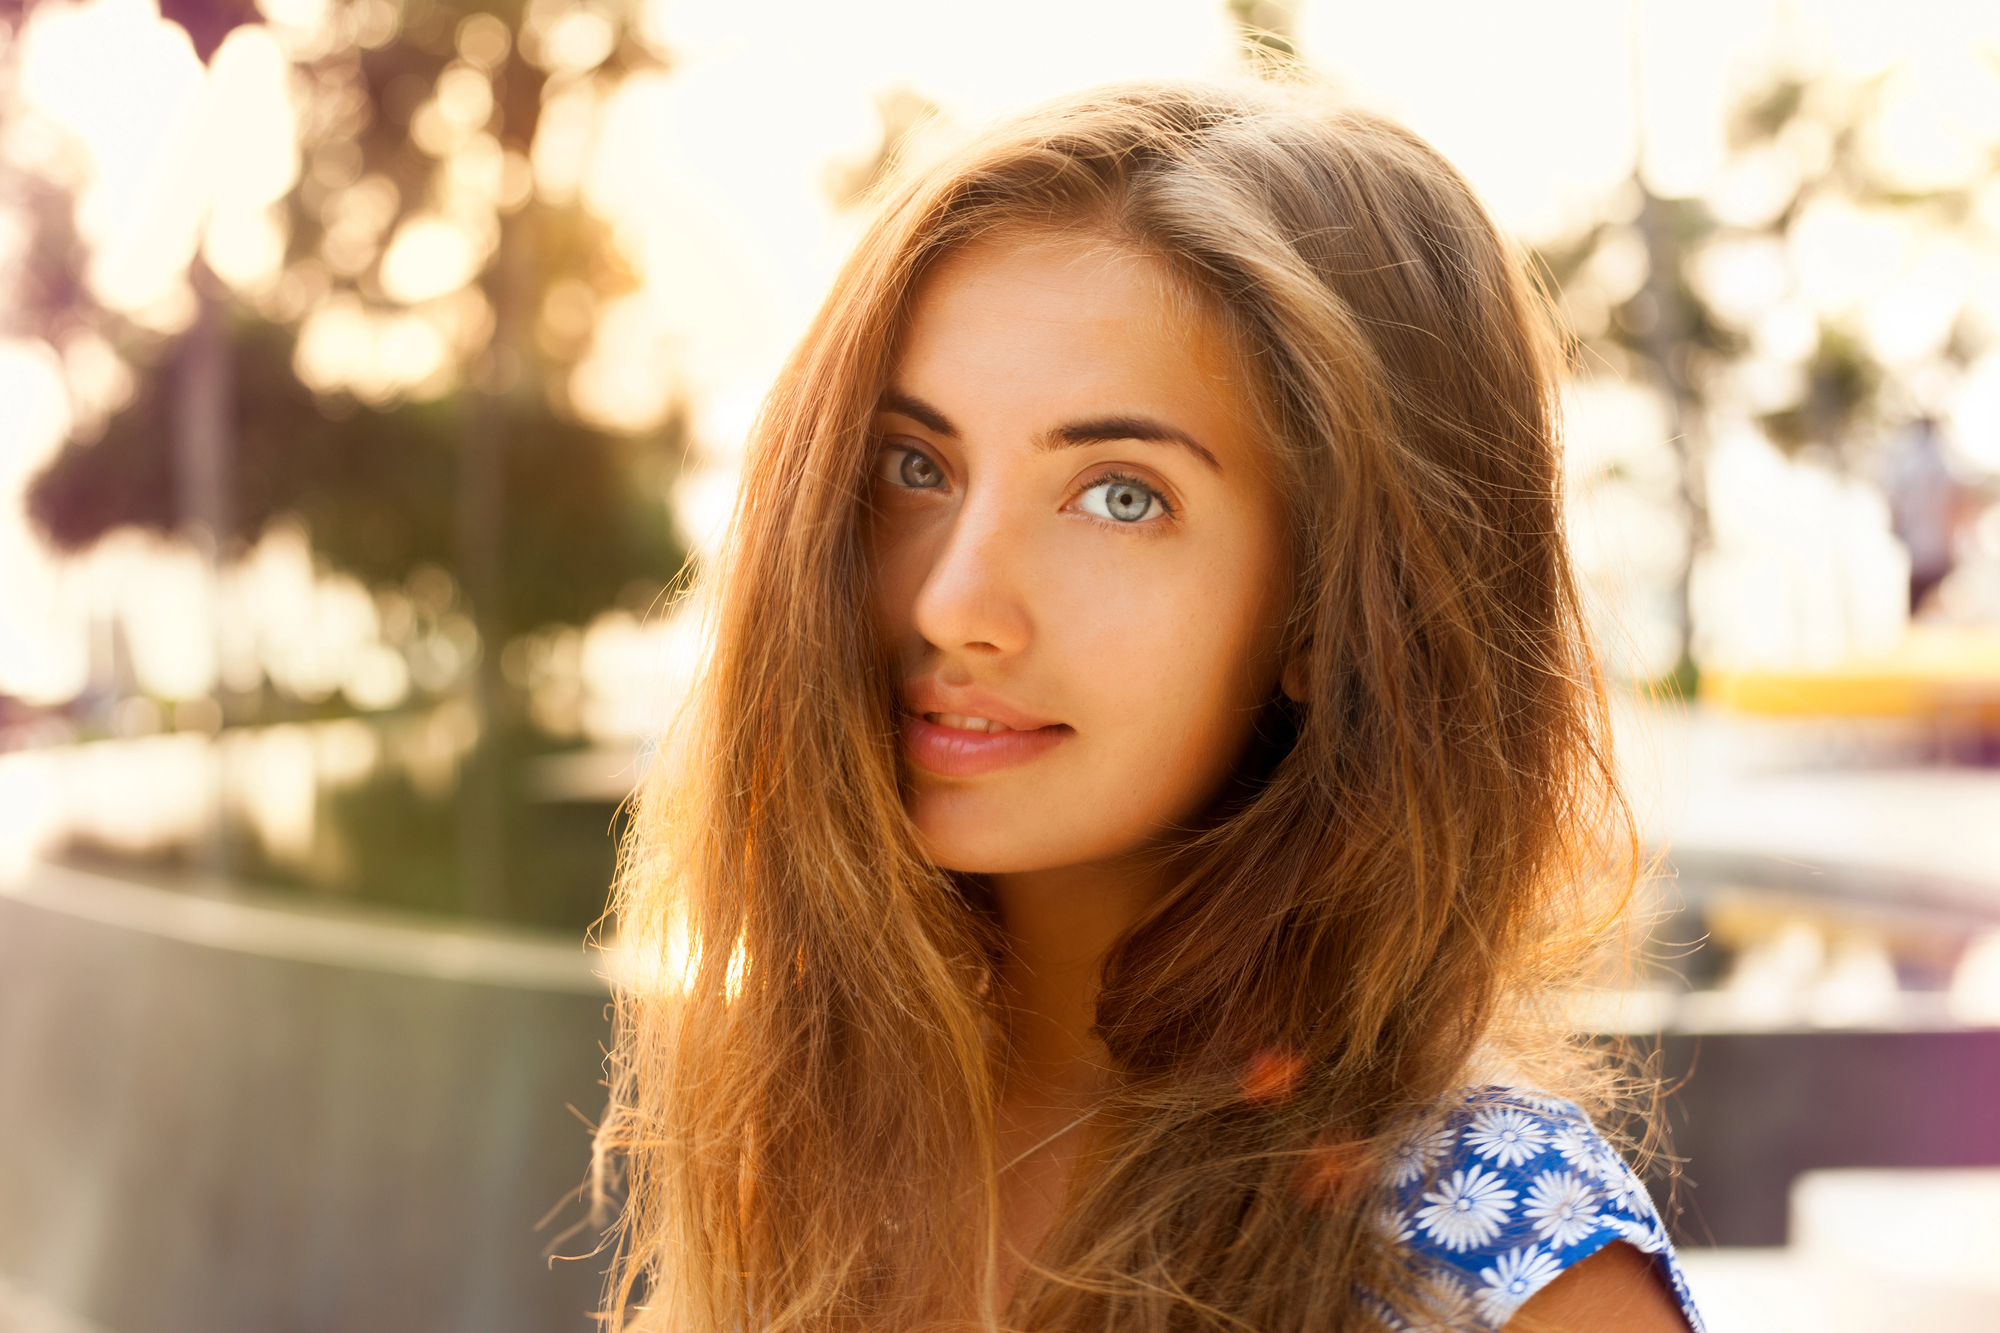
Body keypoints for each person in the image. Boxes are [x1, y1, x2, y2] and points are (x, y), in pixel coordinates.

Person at [595, 79, 1704, 1333]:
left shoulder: (1496, 1260)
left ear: (1329, 608)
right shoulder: (816, 1128)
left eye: (1118, 495)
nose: (955, 603)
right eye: (915, 467)